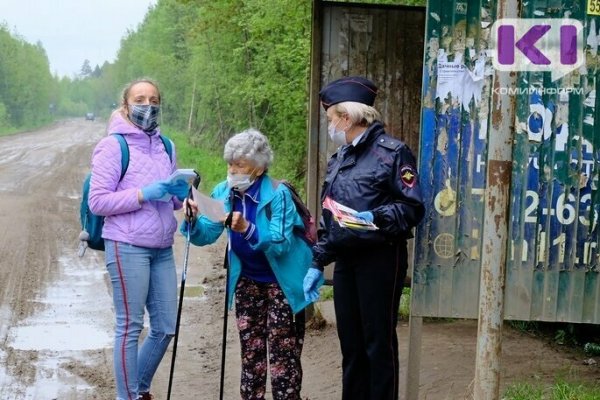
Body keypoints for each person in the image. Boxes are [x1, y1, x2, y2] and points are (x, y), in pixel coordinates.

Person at [302, 76, 425, 400]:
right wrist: (318, 260)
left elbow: (412, 207)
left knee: (377, 344)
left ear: (347, 117)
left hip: (380, 259)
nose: (330, 126)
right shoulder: (339, 159)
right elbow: (332, 217)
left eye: (331, 119)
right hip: (346, 261)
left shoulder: (393, 153)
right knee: (352, 346)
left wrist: (376, 217)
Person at [181, 128, 315, 400]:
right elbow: (207, 234)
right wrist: (192, 221)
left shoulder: (278, 194)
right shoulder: (224, 191)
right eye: (230, 163)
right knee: (250, 350)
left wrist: (248, 228)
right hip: (247, 281)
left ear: (259, 166)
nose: (232, 170)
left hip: (282, 282)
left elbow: (280, 244)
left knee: (283, 354)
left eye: (239, 164)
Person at [88, 78, 189, 400]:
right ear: (126, 104)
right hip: (126, 245)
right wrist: (143, 194)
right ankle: (128, 396)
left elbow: (170, 198)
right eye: (141, 99)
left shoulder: (166, 146)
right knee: (130, 327)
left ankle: (140, 388)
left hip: (161, 247)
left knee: (165, 327)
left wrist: (183, 199)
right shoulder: (113, 146)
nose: (148, 105)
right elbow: (98, 201)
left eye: (154, 99)